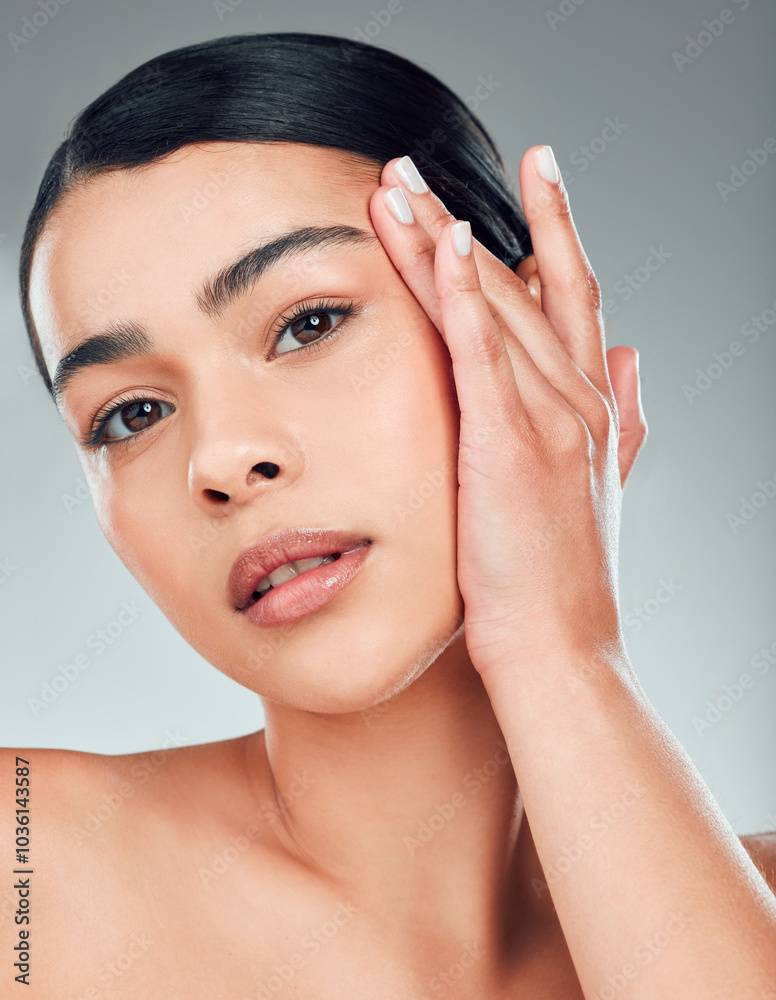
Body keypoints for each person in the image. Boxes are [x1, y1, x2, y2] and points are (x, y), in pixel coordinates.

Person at [5, 30, 776, 998]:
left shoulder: (747, 917)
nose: (221, 459)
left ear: (530, 329)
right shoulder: (22, 867)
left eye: (308, 323)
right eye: (133, 414)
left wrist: (557, 648)